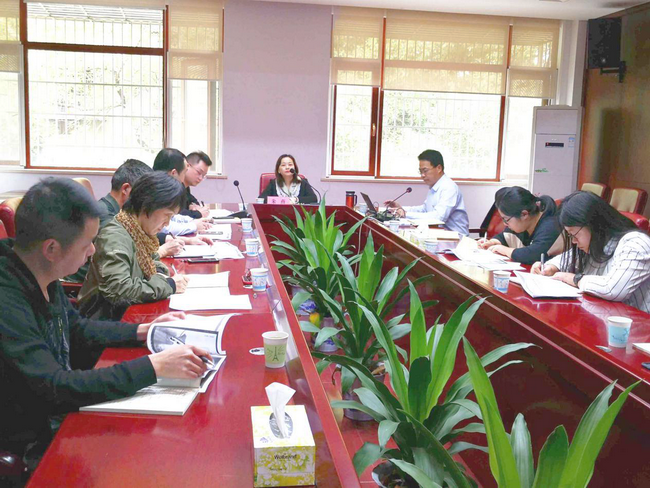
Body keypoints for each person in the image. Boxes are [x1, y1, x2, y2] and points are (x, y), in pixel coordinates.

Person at [0, 178, 209, 471]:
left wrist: (143, 331)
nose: (92, 252)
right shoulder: (8, 297)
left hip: (59, 412)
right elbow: (53, 387)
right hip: (34, 440)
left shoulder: (39, 267)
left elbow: (76, 328)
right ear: (52, 248)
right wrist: (154, 366)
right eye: (86, 244)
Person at [79, 172, 190, 320]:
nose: (167, 223)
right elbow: (119, 291)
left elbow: (152, 261)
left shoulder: (137, 230)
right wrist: (168, 284)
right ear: (147, 206)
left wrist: (159, 274)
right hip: (107, 319)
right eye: (167, 215)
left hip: (130, 313)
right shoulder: (114, 237)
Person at [532, 191, 650, 313]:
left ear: (593, 225)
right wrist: (550, 267)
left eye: (574, 234)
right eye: (570, 235)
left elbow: (612, 289)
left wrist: (574, 279)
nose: (573, 241)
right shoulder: (595, 243)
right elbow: (564, 259)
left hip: (639, 321)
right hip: (606, 316)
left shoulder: (635, 243)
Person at [385, 149, 469, 235]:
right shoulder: (435, 186)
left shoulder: (449, 188)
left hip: (456, 238)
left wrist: (405, 214)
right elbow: (424, 209)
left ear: (439, 168)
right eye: (420, 171)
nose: (422, 175)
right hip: (438, 234)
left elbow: (438, 218)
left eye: (425, 171)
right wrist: (401, 209)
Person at [477, 186, 562, 264]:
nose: (504, 224)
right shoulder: (524, 223)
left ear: (524, 214)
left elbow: (533, 254)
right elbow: (505, 236)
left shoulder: (550, 226)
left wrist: (505, 250)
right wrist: (492, 242)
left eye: (506, 219)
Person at [153, 148, 212, 237]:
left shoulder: (160, 186)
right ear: (173, 173)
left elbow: (173, 217)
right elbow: (164, 227)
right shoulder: (157, 191)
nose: (182, 180)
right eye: (185, 172)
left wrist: (192, 221)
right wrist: (194, 225)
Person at [181, 151, 212, 219]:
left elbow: (193, 201)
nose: (200, 178)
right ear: (187, 166)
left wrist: (195, 207)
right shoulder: (174, 186)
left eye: (203, 175)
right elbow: (175, 214)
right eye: (199, 172)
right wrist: (198, 213)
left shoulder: (186, 187)